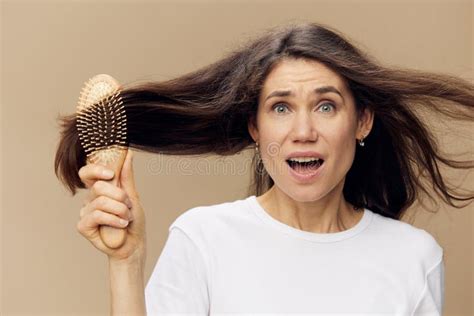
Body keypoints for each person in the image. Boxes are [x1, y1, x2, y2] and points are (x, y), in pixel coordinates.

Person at [57, 22, 474, 315]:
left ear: (362, 121)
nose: (303, 131)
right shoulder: (204, 239)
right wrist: (127, 264)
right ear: (255, 127)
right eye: (281, 107)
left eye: (326, 106)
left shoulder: (414, 257)